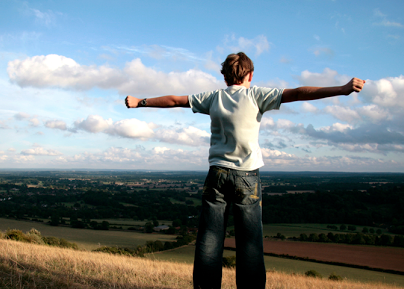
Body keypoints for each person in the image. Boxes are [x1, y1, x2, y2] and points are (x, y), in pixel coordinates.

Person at [125, 52, 365, 289]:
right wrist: (341, 89)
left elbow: (176, 100)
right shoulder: (256, 94)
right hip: (247, 177)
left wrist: (140, 102)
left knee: (209, 241)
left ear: (225, 76)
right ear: (250, 74)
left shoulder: (213, 97)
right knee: (250, 245)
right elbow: (299, 93)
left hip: (217, 174)